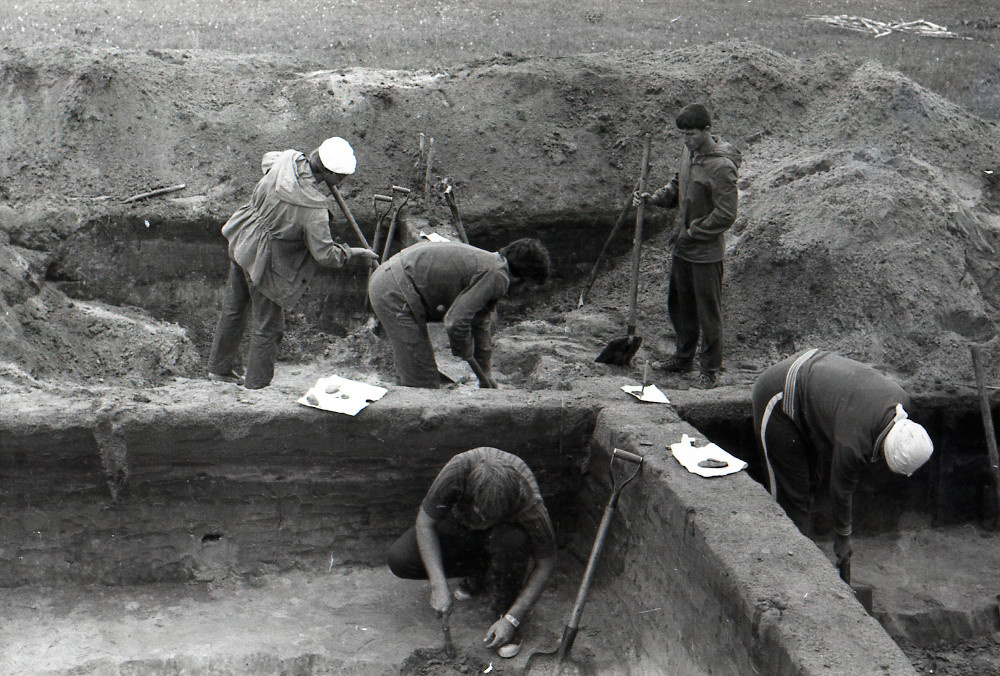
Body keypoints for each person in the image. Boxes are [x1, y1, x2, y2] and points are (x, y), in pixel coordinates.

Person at [207, 137, 378, 389]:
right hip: (265, 263)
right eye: (340, 177)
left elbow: (267, 160)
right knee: (269, 327)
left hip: (242, 241)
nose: (342, 183)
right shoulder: (313, 210)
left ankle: (218, 369)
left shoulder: (287, 159)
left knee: (234, 310)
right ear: (327, 171)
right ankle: (257, 387)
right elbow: (325, 255)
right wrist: (355, 252)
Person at [752, 349, 934, 571]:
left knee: (810, 483)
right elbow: (840, 489)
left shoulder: (901, 401)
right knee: (791, 498)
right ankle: (786, 572)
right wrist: (843, 537)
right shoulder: (854, 443)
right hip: (779, 394)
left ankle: (800, 555)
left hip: (811, 381)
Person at [387, 447, 557, 659]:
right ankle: (478, 570)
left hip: (502, 538)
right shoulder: (457, 471)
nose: (486, 522)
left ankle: (504, 613)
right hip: (462, 526)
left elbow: (547, 561)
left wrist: (513, 618)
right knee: (400, 559)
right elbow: (424, 523)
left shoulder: (529, 500)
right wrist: (438, 586)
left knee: (512, 539)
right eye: (483, 514)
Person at [634, 103, 741, 389]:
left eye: (691, 134)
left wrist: (695, 231)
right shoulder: (688, 152)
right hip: (682, 247)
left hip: (705, 252)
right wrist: (653, 198)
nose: (686, 140)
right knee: (680, 306)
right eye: (682, 134)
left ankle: (709, 369)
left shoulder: (721, 167)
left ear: (708, 130)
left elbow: (726, 214)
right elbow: (677, 185)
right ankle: (683, 358)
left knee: (708, 312)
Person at [368, 238, 550, 388]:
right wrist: (463, 349)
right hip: (393, 290)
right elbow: (455, 321)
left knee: (416, 371)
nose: (524, 292)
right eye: (528, 287)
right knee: (422, 381)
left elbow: (480, 323)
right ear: (520, 278)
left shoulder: (493, 266)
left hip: (391, 282)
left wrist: (485, 373)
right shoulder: (497, 275)